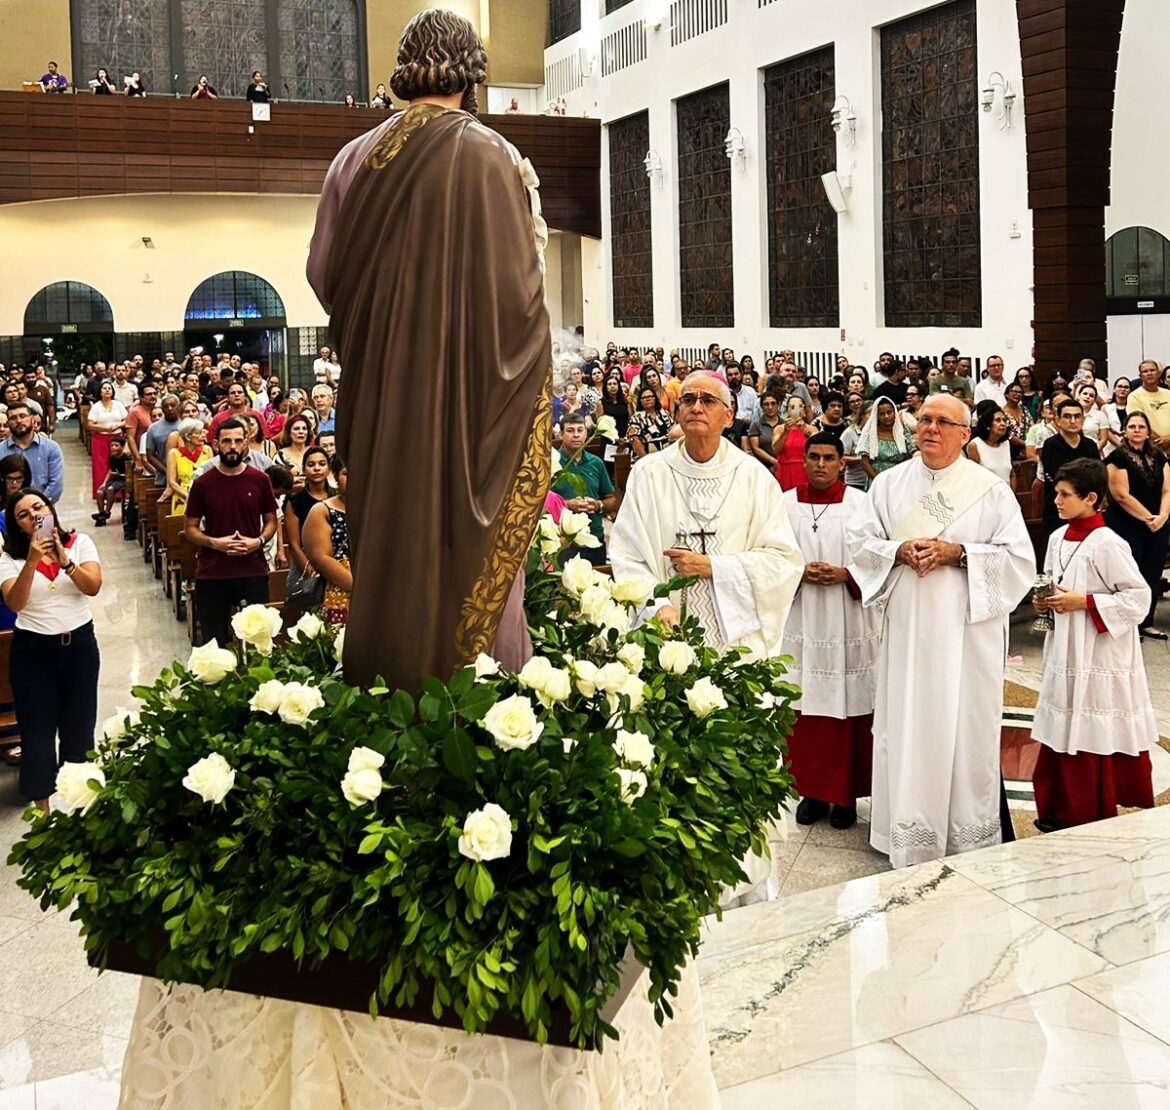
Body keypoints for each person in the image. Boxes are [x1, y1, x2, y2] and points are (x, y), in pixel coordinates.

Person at [308, 8, 552, 687]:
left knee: (389, 545)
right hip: (473, 401)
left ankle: (384, 701)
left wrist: (391, 326)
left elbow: (323, 275)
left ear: (404, 66)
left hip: (381, 399)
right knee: (472, 547)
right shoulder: (493, 154)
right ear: (471, 71)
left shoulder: (353, 158)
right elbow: (520, 300)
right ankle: (480, 709)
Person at [610, 369, 804, 901]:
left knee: (733, 757)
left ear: (727, 414)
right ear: (678, 412)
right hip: (666, 643)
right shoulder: (649, 475)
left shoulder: (754, 479)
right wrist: (654, 605)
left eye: (708, 399)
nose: (696, 406)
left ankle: (742, 879)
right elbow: (625, 553)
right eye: (688, 398)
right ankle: (674, 877)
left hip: (732, 644)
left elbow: (785, 560)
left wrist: (712, 567)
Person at [845, 394, 1035, 868]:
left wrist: (959, 554)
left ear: (964, 433)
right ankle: (907, 829)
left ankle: (963, 832)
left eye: (943, 422)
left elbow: (1019, 562)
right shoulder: (888, 485)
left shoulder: (989, 490)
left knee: (965, 724)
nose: (930, 428)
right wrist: (898, 551)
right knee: (907, 721)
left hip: (968, 634)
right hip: (909, 628)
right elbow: (859, 543)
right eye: (924, 419)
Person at [1031, 459, 1156, 830]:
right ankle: (1056, 806)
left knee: (1089, 728)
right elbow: (1057, 583)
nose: (1056, 500)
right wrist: (1046, 601)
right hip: (1066, 645)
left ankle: (1086, 809)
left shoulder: (1108, 543)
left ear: (1091, 498)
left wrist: (1085, 602)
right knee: (1063, 721)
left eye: (1065, 495)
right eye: (1056, 492)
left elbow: (1139, 598)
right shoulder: (1056, 538)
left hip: (1099, 650)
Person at [782, 434, 880, 830]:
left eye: (829, 458)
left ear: (843, 463)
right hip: (802, 617)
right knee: (804, 706)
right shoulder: (783, 504)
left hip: (847, 617)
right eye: (814, 457)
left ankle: (845, 799)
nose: (820, 464)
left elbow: (879, 559)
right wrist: (796, 571)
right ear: (803, 460)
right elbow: (770, 555)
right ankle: (810, 791)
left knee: (848, 707)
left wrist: (846, 574)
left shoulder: (862, 506)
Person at [0, 489, 102, 813]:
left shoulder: (80, 543)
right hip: (33, 654)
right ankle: (42, 818)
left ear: (50, 509)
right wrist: (32, 560)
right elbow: (15, 603)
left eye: (38, 508)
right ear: (17, 526)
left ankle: (82, 813)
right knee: (38, 736)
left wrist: (66, 562)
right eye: (23, 515)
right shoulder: (8, 558)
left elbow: (93, 586)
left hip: (80, 649)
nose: (33, 517)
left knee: (79, 732)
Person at [182, 420, 278, 647]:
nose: (232, 446)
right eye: (226, 441)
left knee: (259, 643)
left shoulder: (260, 480)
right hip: (213, 573)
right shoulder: (203, 484)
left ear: (245, 443)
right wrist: (214, 543)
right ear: (216, 444)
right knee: (215, 642)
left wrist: (259, 541)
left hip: (252, 569)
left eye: (237, 441)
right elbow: (190, 528)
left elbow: (272, 521)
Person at [1104, 411, 1170, 639]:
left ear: (1148, 431)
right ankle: (1128, 625)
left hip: (1158, 524)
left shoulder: (1160, 457)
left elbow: (1167, 490)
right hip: (1125, 523)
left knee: (1152, 573)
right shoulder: (1117, 458)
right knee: (1130, 575)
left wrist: (1161, 517)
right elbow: (1120, 494)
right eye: (1132, 426)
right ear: (1125, 430)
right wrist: (1148, 518)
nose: (1136, 430)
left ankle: (1146, 622)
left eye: (1141, 426)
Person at [552, 414, 616, 564]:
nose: (576, 435)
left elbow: (611, 499)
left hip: (594, 537)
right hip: (565, 541)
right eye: (570, 430)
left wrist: (598, 505)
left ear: (586, 434)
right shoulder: (553, 462)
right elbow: (542, 504)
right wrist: (568, 505)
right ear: (561, 434)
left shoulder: (596, 463)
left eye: (580, 430)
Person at [1040, 398, 1100, 535]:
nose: (1073, 421)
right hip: (1059, 511)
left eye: (1077, 416)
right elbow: (1060, 477)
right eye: (1067, 416)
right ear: (1058, 420)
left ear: (1083, 419)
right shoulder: (1051, 445)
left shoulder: (1090, 445)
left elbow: (1097, 476)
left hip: (1087, 509)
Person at [303, 454, 351, 627]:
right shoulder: (322, 510)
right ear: (336, 476)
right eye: (347, 473)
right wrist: (359, 586)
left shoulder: (380, 508)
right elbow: (321, 558)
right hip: (339, 588)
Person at [283, 446, 333, 592]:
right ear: (304, 469)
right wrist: (311, 572)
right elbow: (294, 545)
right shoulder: (294, 501)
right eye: (311, 465)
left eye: (322, 464)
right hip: (306, 565)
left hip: (338, 563)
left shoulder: (337, 497)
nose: (317, 468)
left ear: (329, 469)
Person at [0, 400, 64, 504]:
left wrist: (36, 506)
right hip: (8, 512)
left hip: (44, 509)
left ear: (32, 419)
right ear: (8, 423)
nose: (19, 421)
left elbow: (56, 485)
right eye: (13, 418)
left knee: (48, 521)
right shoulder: (1, 450)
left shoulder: (51, 448)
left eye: (23, 416)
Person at [854, 397, 913, 488]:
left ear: (895, 413)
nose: (886, 416)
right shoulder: (870, 434)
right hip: (876, 481)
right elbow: (864, 462)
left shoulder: (903, 432)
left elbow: (909, 456)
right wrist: (879, 480)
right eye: (882, 414)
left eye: (889, 412)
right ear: (877, 416)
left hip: (898, 481)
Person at [86, 381, 128, 502]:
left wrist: (117, 425)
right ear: (100, 391)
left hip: (117, 436)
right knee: (101, 465)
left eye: (109, 388)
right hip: (100, 438)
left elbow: (126, 419)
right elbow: (90, 424)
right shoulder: (96, 406)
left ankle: (119, 493)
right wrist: (104, 428)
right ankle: (102, 492)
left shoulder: (118, 405)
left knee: (118, 464)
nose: (107, 390)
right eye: (104, 388)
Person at [165, 418, 212, 515]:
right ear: (188, 436)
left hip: (205, 496)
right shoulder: (174, 454)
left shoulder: (207, 450)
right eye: (199, 433)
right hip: (182, 497)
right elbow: (172, 482)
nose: (203, 436)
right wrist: (188, 496)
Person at [1125, 359, 1170, 454]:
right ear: (1140, 376)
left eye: (1152, 370)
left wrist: (1168, 439)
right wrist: (1160, 442)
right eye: (1145, 371)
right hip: (1150, 449)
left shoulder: (1168, 394)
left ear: (1158, 373)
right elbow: (1139, 422)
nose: (1149, 373)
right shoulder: (1134, 397)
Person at [771, 396, 816, 490]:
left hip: (805, 471)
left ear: (804, 410)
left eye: (800, 406)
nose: (797, 409)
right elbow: (776, 450)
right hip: (785, 472)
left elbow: (816, 450)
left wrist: (804, 430)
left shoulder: (812, 429)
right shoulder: (779, 429)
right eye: (792, 407)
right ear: (788, 410)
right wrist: (785, 432)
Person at [966, 404, 1013, 483]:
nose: (1003, 424)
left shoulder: (1006, 443)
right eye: (998, 420)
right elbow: (973, 476)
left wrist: (1011, 494)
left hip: (1006, 493)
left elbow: (1012, 474)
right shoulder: (975, 445)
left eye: (1004, 420)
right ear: (988, 425)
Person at [628, 386, 674, 459]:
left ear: (655, 398)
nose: (648, 399)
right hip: (646, 459)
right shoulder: (636, 418)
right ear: (640, 400)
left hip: (667, 456)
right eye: (644, 397)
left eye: (650, 396)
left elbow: (673, 431)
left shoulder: (664, 413)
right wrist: (646, 461)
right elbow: (635, 441)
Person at [92, 436, 128, 525]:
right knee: (99, 492)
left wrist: (120, 475)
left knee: (110, 489)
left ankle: (107, 512)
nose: (113, 448)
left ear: (122, 447)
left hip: (122, 480)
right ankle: (101, 513)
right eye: (112, 445)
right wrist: (104, 483)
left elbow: (129, 474)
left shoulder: (126, 458)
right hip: (114, 480)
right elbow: (110, 471)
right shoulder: (112, 457)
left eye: (116, 445)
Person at [745, 394, 782, 468]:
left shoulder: (784, 424)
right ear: (761, 407)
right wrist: (773, 461)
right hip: (762, 466)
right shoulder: (756, 425)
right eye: (766, 404)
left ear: (779, 405)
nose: (770, 407)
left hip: (783, 465)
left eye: (773, 403)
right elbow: (755, 448)